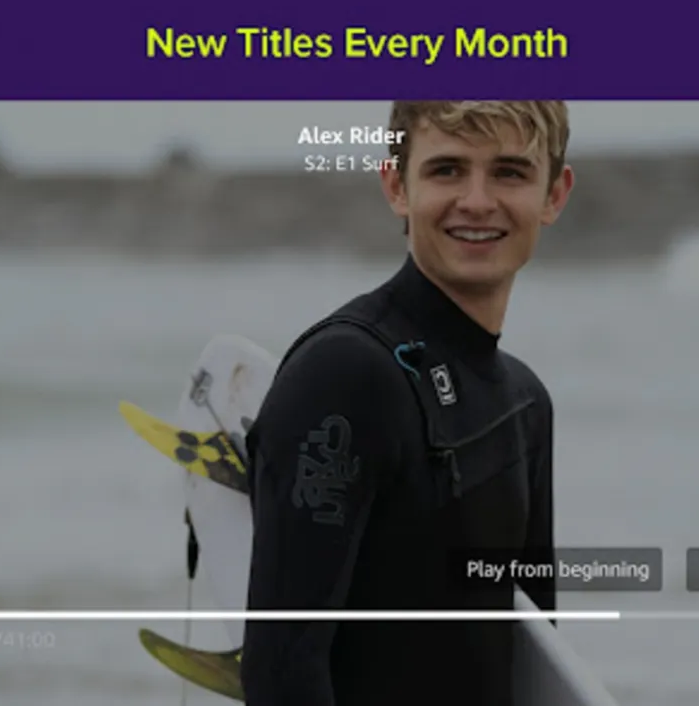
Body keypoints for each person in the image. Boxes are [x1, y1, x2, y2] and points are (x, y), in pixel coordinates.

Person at [239, 100, 576, 706]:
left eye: (509, 172)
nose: (477, 201)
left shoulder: (526, 405)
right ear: (397, 186)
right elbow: (282, 674)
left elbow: (538, 672)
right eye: (447, 170)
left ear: (554, 195)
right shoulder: (343, 375)